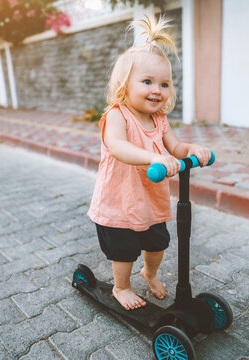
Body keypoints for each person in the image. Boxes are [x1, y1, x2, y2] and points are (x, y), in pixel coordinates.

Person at [87, 15, 211, 311]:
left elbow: (177, 147)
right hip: (120, 201)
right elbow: (117, 147)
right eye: (147, 82)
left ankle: (150, 273)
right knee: (125, 251)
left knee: (158, 245)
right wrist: (155, 157)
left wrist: (192, 148)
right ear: (124, 85)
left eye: (164, 84)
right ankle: (122, 286)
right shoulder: (117, 115)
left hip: (150, 200)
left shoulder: (160, 119)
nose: (157, 90)